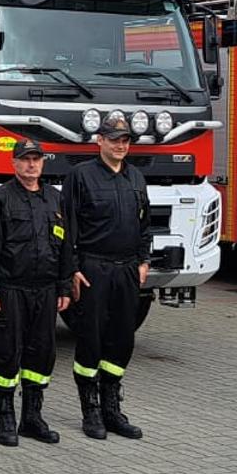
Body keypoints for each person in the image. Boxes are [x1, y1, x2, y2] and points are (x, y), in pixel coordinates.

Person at [0, 139, 71, 447]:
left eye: (36, 159)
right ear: (14, 164)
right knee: (7, 353)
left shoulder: (55, 200)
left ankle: (32, 417)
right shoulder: (0, 199)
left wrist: (64, 285)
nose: (31, 165)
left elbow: (67, 246)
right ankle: (6, 419)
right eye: (25, 159)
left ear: (43, 163)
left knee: (42, 354)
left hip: (45, 290)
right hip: (11, 290)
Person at [60, 115, 151, 441]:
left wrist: (144, 260)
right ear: (99, 140)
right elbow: (66, 227)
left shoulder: (136, 177)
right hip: (93, 269)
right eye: (114, 139)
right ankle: (91, 410)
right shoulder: (80, 177)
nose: (121, 145)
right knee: (91, 340)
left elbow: (144, 224)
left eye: (125, 140)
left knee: (122, 339)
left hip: (127, 270)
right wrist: (71, 269)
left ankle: (113, 408)